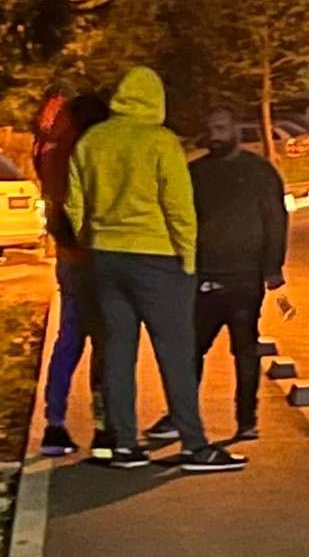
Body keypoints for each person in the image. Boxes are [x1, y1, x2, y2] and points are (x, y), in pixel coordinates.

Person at [64, 67, 245, 474]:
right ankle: (194, 446)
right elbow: (179, 208)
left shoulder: (92, 141)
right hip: (159, 261)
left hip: (106, 258)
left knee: (117, 353)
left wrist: (91, 241)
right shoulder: (161, 143)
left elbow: (74, 204)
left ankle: (124, 444)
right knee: (175, 353)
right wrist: (188, 260)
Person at [178, 104, 288, 444]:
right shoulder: (193, 173)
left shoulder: (259, 172)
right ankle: (184, 417)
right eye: (211, 129)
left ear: (235, 131)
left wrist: (273, 267)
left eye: (222, 128)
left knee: (244, 349)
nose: (216, 136)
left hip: (244, 277)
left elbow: (276, 219)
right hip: (202, 276)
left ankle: (246, 420)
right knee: (192, 350)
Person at [34, 89, 111, 456]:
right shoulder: (92, 152)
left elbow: (54, 208)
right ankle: (103, 429)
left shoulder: (51, 152)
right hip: (98, 261)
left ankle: (55, 424)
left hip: (69, 259)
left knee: (69, 340)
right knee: (106, 345)